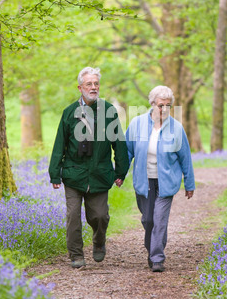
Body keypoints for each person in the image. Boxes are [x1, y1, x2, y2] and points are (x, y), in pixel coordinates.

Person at [49, 67, 129, 268]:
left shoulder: (109, 111)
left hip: (100, 174)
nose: (93, 87)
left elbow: (118, 143)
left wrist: (121, 171)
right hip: (73, 174)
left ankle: (99, 241)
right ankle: (76, 254)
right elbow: (60, 143)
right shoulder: (69, 113)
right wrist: (55, 174)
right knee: (73, 217)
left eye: (96, 84)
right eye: (89, 84)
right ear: (80, 87)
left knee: (99, 216)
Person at [125, 85, 195, 273]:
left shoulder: (177, 128)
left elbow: (185, 158)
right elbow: (127, 152)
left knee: (159, 219)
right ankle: (153, 249)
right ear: (152, 104)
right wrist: (119, 174)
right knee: (148, 220)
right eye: (160, 105)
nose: (163, 109)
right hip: (144, 180)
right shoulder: (137, 124)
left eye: (168, 105)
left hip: (166, 182)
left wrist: (189, 184)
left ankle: (157, 258)